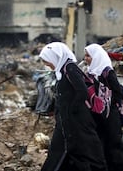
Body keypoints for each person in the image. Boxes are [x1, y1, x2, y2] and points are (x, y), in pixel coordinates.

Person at [39, 42, 108, 171]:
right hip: (66, 120)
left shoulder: (70, 69)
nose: (46, 65)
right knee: (59, 149)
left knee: (87, 149)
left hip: (77, 120)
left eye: (47, 61)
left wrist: (72, 109)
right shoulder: (61, 71)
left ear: (55, 57)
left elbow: (82, 91)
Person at [84, 43, 123, 171]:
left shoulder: (107, 72)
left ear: (96, 56)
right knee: (104, 145)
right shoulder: (92, 73)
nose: (85, 58)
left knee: (115, 146)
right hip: (100, 117)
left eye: (88, 56)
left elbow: (118, 93)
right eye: (85, 56)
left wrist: (104, 100)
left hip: (110, 116)